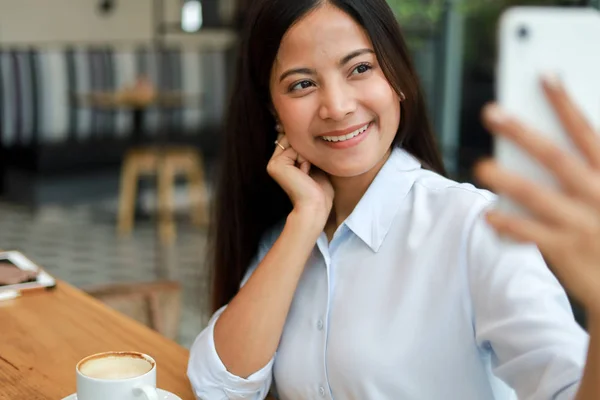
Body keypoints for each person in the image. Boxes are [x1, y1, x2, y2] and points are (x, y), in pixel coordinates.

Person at [186, 0, 598, 398]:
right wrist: (306, 220)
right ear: (273, 111)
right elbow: (218, 389)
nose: (338, 106)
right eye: (302, 84)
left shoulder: (476, 227)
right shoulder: (289, 233)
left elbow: (567, 383)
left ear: (397, 77)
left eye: (360, 68)